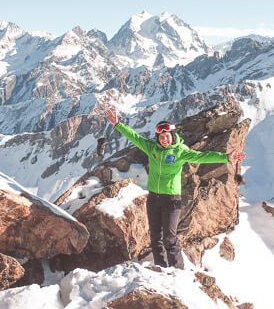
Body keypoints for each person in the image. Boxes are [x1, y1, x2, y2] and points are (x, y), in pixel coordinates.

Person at [103, 108, 245, 270]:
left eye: (167, 136)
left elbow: (201, 157)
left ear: (172, 136)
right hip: (153, 198)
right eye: (161, 137)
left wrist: (226, 157)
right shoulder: (152, 148)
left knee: (169, 238)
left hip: (171, 200)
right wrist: (117, 124)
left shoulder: (179, 151)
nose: (164, 139)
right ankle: (161, 269)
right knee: (155, 238)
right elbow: (134, 137)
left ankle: (178, 271)